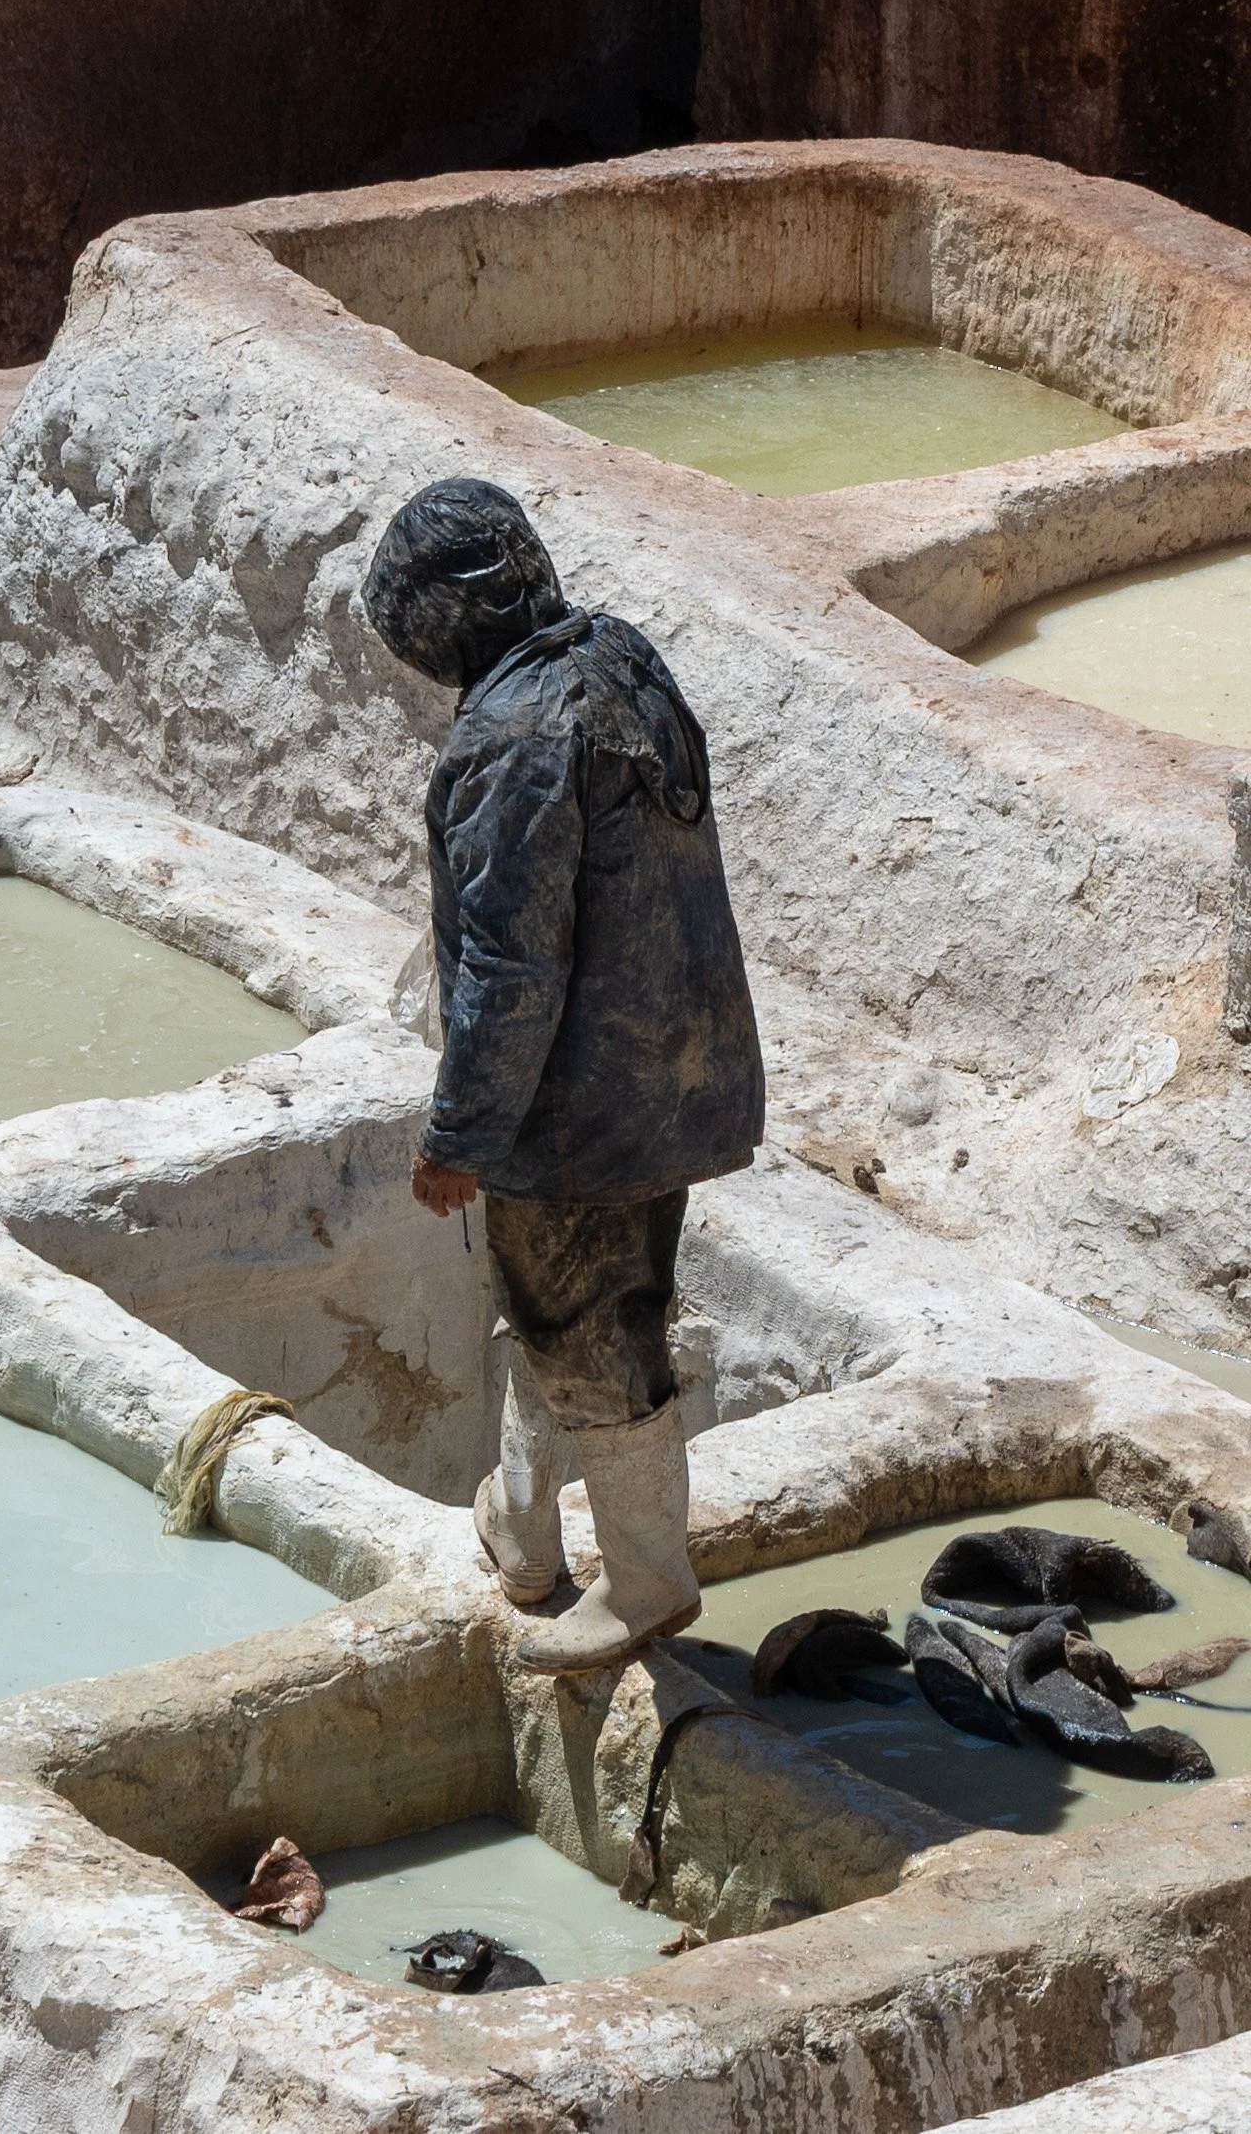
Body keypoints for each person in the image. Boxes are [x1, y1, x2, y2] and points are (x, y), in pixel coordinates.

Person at [361, 478, 765, 1675]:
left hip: (576, 1113)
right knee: (571, 1309)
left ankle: (645, 1582)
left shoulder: (510, 736)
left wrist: (458, 1134)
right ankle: (522, 1532)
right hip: (675, 1080)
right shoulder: (617, 659)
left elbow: (510, 965)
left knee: (585, 1323)